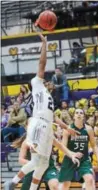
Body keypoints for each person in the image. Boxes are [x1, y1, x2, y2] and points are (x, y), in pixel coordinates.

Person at [4, 32, 80, 190]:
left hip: (47, 126)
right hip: (38, 123)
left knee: (43, 163)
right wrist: (44, 45)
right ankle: (12, 182)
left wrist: (68, 129)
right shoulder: (37, 84)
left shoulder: (49, 97)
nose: (46, 79)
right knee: (36, 159)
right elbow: (42, 64)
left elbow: (54, 118)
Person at [59, 108, 98, 190]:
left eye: (81, 113)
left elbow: (94, 146)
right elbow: (63, 147)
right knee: (65, 185)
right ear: (74, 116)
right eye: (77, 113)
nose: (79, 114)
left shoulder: (88, 129)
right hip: (69, 159)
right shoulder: (68, 129)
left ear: (84, 116)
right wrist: (72, 154)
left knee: (90, 179)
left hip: (83, 159)